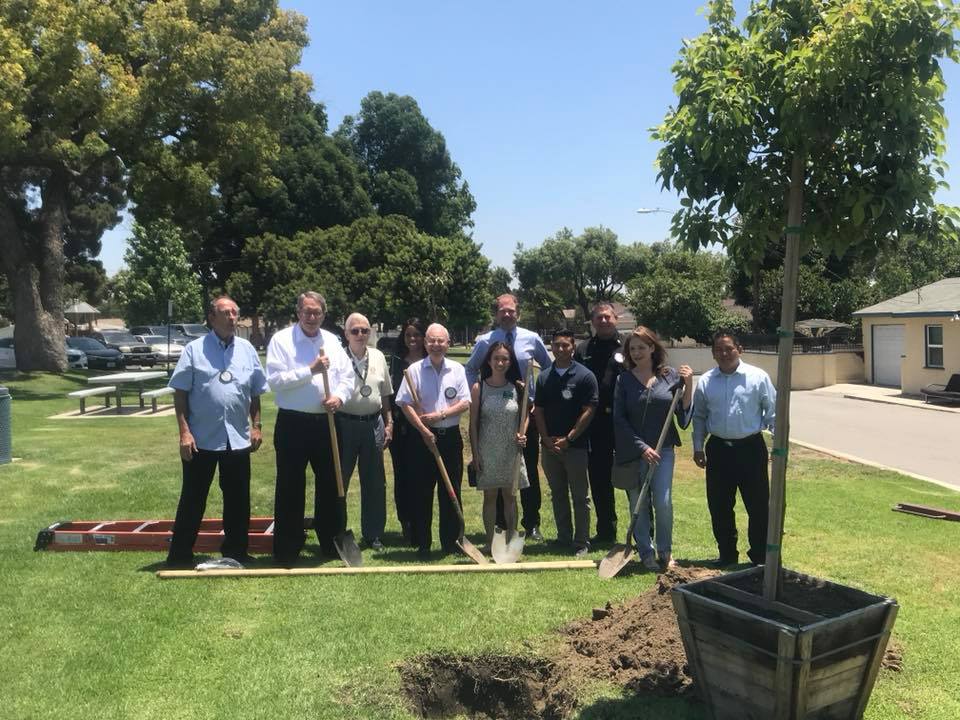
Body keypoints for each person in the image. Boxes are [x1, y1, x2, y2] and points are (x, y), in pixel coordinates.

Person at [166, 296, 268, 567]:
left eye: (235, 312)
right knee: (193, 498)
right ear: (212, 318)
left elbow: (255, 391)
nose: (232, 317)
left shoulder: (247, 349)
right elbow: (180, 394)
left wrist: (256, 426)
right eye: (226, 313)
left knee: (238, 500)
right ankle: (179, 555)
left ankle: (236, 552)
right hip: (201, 440)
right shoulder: (194, 349)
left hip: (237, 439)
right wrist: (184, 434)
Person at [266, 291, 355, 563]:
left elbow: (346, 376)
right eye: (307, 312)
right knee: (290, 485)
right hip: (293, 423)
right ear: (298, 312)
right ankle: (287, 548)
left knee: (331, 485)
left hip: (327, 422)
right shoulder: (281, 340)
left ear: (323, 314)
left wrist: (339, 396)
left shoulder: (333, 341)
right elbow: (276, 381)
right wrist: (310, 370)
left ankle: (331, 545)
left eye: (317, 312)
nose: (312, 317)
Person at [465, 293, 551, 541]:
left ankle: (531, 523)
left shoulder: (532, 338)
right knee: (496, 475)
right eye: (502, 311)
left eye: (511, 310)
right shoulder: (485, 342)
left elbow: (547, 368)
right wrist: (478, 397)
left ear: (518, 312)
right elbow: (470, 369)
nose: (507, 314)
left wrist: (537, 398)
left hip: (525, 412)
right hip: (492, 415)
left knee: (527, 471)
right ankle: (500, 527)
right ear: (496, 314)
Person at [692, 331, 776, 566]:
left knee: (758, 506)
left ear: (739, 349)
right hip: (718, 451)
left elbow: (773, 413)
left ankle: (760, 557)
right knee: (719, 506)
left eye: (729, 348)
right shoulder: (707, 381)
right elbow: (699, 417)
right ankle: (727, 555)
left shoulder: (758, 377)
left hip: (751, 449)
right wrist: (698, 447)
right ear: (713, 353)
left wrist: (779, 447)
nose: (724, 353)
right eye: (718, 350)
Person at [612, 326, 693, 570]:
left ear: (652, 348)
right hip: (634, 452)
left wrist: (688, 386)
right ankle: (646, 553)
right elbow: (619, 419)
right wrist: (641, 447)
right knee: (638, 502)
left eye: (641, 347)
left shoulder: (669, 377)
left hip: (663, 451)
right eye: (632, 348)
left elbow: (683, 417)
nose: (637, 352)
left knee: (663, 501)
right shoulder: (623, 380)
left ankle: (665, 552)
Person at [395, 323, 471, 559]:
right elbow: (404, 402)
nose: (436, 345)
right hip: (422, 440)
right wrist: (422, 429)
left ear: (448, 343)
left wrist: (440, 415)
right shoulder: (414, 370)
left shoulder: (457, 369)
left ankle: (450, 542)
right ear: (425, 343)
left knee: (451, 491)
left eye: (441, 341)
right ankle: (423, 542)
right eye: (432, 341)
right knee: (421, 492)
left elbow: (465, 401)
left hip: (450, 438)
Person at [533, 330, 598, 557]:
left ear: (573, 347)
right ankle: (563, 537)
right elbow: (538, 411)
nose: (560, 349)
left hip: (576, 447)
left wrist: (570, 438)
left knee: (580, 496)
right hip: (549, 448)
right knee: (558, 493)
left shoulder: (585, 376)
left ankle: (582, 541)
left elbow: (589, 410)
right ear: (551, 347)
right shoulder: (543, 377)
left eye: (565, 345)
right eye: (556, 345)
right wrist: (546, 440)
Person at [339, 312, 393, 552]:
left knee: (374, 482)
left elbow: (385, 395)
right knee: (340, 481)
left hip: (374, 423)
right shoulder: (338, 357)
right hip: (344, 424)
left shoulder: (379, 356)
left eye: (364, 331)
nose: (360, 335)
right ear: (346, 333)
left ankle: (373, 535)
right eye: (355, 331)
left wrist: (389, 422)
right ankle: (337, 532)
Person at [468, 341, 530, 547]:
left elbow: (526, 413)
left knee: (511, 496)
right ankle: (490, 542)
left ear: (510, 362)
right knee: (490, 496)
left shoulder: (518, 387)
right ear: (489, 360)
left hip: (511, 450)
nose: (500, 362)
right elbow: (473, 423)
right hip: (488, 449)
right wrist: (475, 453)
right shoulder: (479, 387)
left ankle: (511, 538)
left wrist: (523, 432)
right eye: (497, 358)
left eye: (505, 359)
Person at [573, 301, 625, 543]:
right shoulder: (583, 349)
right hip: (596, 425)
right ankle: (606, 530)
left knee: (634, 476)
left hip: (625, 422)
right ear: (592, 321)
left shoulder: (630, 346)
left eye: (608, 317)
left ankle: (645, 533)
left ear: (616, 318)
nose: (603, 321)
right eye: (599, 318)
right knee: (600, 478)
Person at [387, 318, 428, 544]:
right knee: (402, 477)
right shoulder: (395, 362)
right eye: (408, 335)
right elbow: (389, 395)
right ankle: (407, 523)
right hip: (402, 430)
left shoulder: (429, 361)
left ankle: (421, 522)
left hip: (423, 428)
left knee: (420, 478)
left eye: (416, 335)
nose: (412, 339)